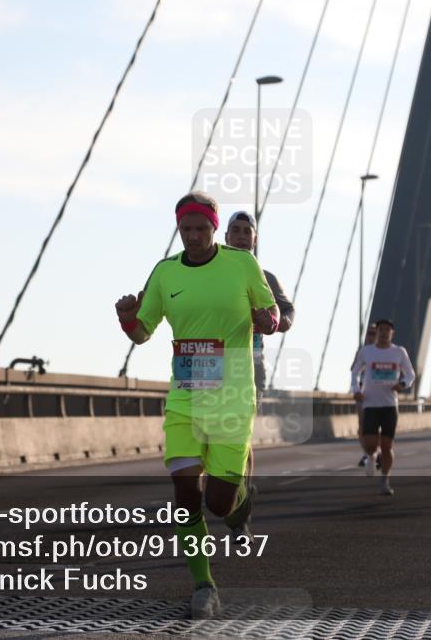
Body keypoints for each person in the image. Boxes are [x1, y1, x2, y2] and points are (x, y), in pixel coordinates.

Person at [115, 191, 279, 619]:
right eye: (185, 229)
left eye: (200, 229)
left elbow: (272, 313)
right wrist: (127, 318)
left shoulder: (242, 264)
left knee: (219, 504)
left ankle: (243, 500)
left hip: (232, 397)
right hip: (185, 396)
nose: (192, 236)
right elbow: (142, 332)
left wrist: (268, 321)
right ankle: (204, 585)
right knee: (186, 493)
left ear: (214, 228)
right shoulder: (165, 272)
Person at [224, 210, 295, 541]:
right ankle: (236, 492)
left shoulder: (264, 276)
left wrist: (272, 321)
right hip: (206, 364)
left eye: (246, 232)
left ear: (255, 239)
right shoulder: (210, 271)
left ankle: (239, 518)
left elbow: (288, 311)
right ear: (225, 237)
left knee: (238, 437)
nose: (240, 236)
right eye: (235, 230)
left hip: (249, 363)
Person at [350, 319, 415, 495]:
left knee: (387, 446)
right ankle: (371, 456)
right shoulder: (367, 351)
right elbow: (355, 372)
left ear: (392, 333)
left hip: (390, 405)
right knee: (371, 443)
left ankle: (385, 480)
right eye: (381, 329)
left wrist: (402, 384)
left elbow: (410, 373)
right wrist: (356, 390)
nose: (384, 332)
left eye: (387, 330)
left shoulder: (399, 352)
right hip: (370, 403)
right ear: (377, 332)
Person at [353, 324, 381, 470]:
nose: (370, 336)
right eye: (369, 333)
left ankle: (378, 452)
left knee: (377, 426)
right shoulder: (363, 351)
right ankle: (367, 454)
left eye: (373, 333)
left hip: (379, 393)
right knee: (362, 426)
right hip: (363, 392)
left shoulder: (385, 351)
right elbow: (354, 370)